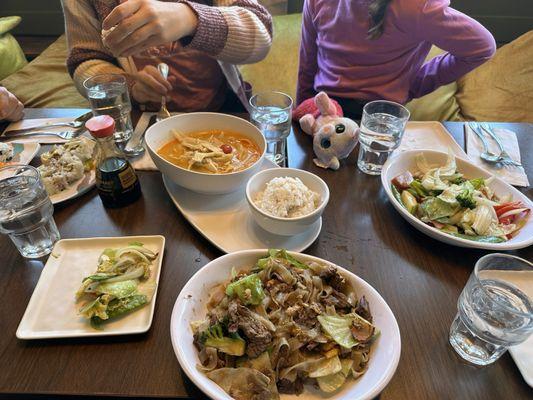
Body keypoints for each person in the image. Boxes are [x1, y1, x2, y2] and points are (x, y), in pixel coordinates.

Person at [297, 0, 496, 119]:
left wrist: (302, 112)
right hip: (383, 120)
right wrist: (415, 84)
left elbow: (307, 65)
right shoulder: (418, 7)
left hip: (322, 110)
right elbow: (482, 47)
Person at [61, 0, 272, 112]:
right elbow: (85, 59)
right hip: (138, 117)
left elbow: (261, 37)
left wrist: (191, 19)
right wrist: (129, 86)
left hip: (220, 107)